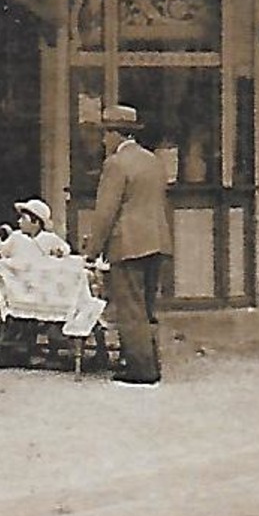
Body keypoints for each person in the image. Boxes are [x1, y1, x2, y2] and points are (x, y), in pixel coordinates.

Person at [82, 105, 172, 386]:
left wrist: (92, 251)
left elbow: (106, 212)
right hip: (157, 241)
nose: (102, 140)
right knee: (146, 307)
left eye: (105, 133)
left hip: (129, 243)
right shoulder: (153, 161)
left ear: (115, 134)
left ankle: (139, 369)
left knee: (130, 307)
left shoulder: (116, 164)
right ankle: (150, 362)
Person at [0, 199, 72, 259]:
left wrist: (59, 253)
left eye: (23, 218)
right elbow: (2, 252)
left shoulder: (50, 239)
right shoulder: (16, 237)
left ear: (35, 221)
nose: (19, 221)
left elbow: (65, 251)